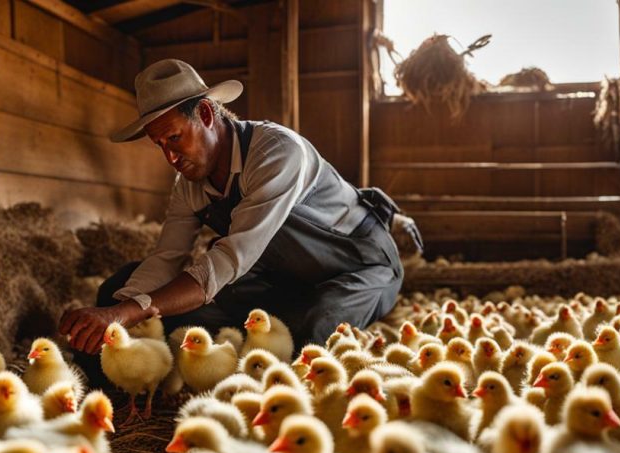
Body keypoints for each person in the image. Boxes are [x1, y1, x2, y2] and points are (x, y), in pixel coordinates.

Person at [59, 59, 415, 359]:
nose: (169, 157)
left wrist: (129, 312)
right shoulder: (189, 187)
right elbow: (166, 258)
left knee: (313, 329)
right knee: (118, 288)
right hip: (284, 278)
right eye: (159, 145)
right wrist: (118, 309)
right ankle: (99, 382)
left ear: (205, 114)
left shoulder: (277, 152)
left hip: (359, 267)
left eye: (174, 138)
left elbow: (229, 260)